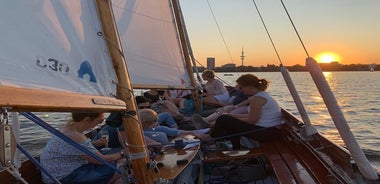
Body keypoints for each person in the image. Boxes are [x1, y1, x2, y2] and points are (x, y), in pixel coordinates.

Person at [196, 74, 284, 150]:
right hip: (269, 130)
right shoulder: (260, 96)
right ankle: (235, 148)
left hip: (266, 132)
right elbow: (252, 116)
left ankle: (211, 138)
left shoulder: (257, 99)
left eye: (241, 87)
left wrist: (230, 117)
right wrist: (232, 116)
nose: (240, 90)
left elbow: (252, 121)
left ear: (249, 86)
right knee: (227, 119)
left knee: (224, 119)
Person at [40, 112, 125, 184]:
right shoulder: (75, 135)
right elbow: (100, 160)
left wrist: (95, 143)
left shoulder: (68, 128)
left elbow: (72, 148)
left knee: (119, 160)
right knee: (125, 166)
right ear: (87, 119)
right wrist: (122, 153)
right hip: (63, 178)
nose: (99, 124)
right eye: (99, 121)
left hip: (57, 172)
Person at [139, 108, 210, 139]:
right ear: (146, 123)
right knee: (162, 129)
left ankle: (176, 131)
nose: (156, 123)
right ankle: (193, 132)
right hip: (142, 129)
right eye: (154, 122)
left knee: (165, 114)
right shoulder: (143, 125)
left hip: (143, 122)